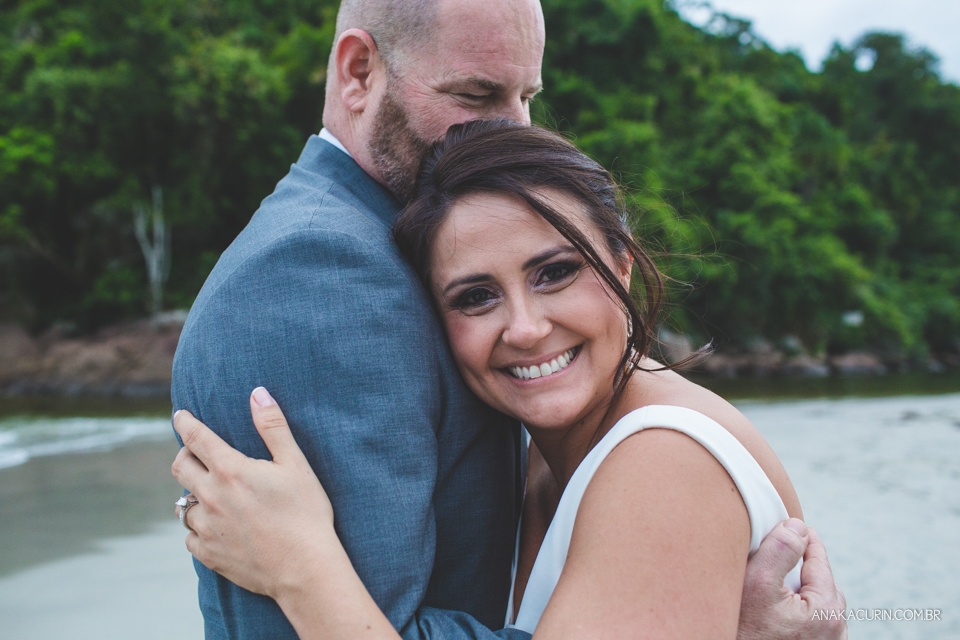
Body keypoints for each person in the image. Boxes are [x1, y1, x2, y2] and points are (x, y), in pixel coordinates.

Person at [171, 1, 847, 639]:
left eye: (528, 97)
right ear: (358, 72)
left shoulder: (661, 459)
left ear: (622, 265)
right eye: (477, 95)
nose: (514, 131)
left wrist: (303, 569)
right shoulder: (318, 267)